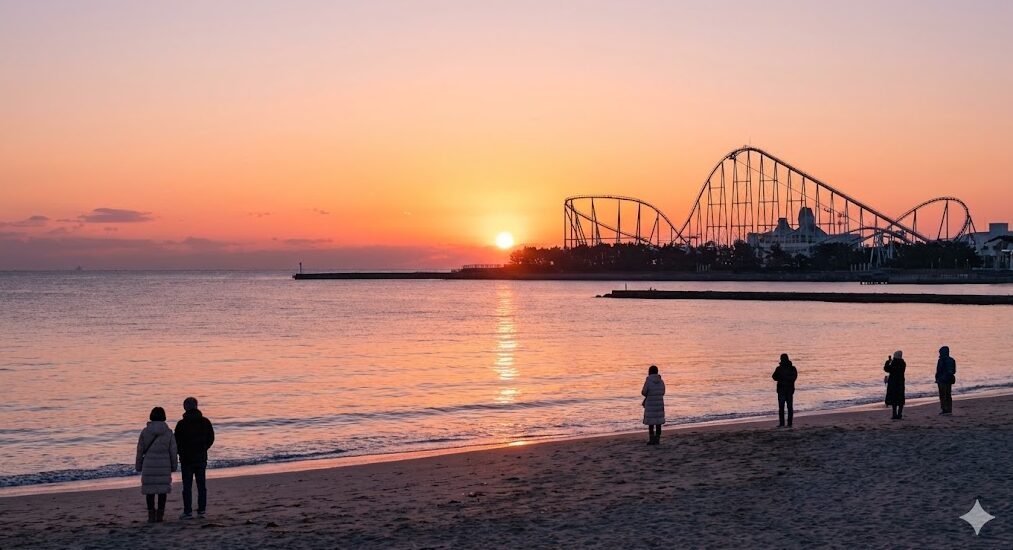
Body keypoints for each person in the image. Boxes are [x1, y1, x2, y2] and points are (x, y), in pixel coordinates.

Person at [175, 397, 215, 519]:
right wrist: (204, 448)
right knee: (201, 486)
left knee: (187, 486)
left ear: (185, 407)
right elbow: (211, 438)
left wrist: (180, 452)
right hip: (200, 457)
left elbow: (176, 442)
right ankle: (201, 511)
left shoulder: (181, 424)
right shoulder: (205, 421)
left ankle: (188, 512)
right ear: (196, 406)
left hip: (186, 459)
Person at [136, 406, 177, 523]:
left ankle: (151, 515)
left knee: (149, 491)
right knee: (162, 491)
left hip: (148, 465)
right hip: (164, 466)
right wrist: (174, 466)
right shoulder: (168, 433)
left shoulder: (145, 432)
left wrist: (138, 466)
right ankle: (160, 516)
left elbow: (140, 450)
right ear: (164, 416)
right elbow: (173, 451)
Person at [771, 354, 798, 428]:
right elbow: (774, 377)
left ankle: (784, 423)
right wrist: (785, 378)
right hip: (786, 390)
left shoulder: (783, 368)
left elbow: (774, 377)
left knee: (784, 408)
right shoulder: (790, 368)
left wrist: (782, 378)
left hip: (785, 390)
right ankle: (787, 423)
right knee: (787, 407)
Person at [641, 365, 666, 445]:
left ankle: (651, 440)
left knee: (651, 423)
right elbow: (663, 392)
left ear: (649, 372)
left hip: (650, 404)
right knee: (658, 422)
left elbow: (644, 392)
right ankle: (657, 439)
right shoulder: (661, 381)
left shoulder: (648, 381)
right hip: (659, 403)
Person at [884, 351, 906, 420]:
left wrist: (887, 362)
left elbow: (887, 369)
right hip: (900, 383)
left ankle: (894, 414)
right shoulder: (903, 363)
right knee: (900, 399)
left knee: (894, 400)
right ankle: (899, 414)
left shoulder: (894, 363)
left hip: (893, 383)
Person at [935, 346, 956, 415]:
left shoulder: (941, 360)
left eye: (940, 352)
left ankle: (945, 409)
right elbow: (954, 371)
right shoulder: (951, 360)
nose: (940, 353)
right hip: (947, 379)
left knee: (943, 395)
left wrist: (938, 378)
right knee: (948, 395)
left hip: (942, 380)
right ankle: (948, 409)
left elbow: (938, 371)